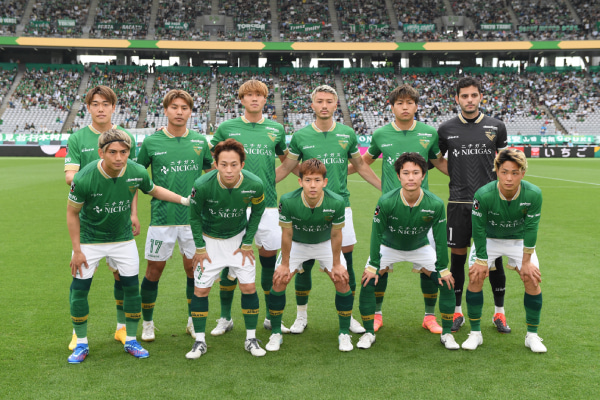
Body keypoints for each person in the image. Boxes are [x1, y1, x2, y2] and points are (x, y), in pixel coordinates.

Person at [67, 129, 191, 364]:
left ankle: (131, 340)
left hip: (123, 240)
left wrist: (184, 200)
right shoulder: (83, 177)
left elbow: (154, 190)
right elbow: (72, 214)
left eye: (124, 152)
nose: (119, 157)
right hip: (89, 241)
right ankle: (81, 343)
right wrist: (77, 250)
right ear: (101, 152)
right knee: (80, 290)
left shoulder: (136, 171)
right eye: (113, 152)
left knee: (132, 289)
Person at [275, 84, 381, 335]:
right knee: (304, 265)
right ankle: (301, 316)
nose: (324, 105)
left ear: (336, 105)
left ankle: (349, 316)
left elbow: (361, 166)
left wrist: (385, 188)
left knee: (345, 264)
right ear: (312, 105)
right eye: (320, 101)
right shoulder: (301, 136)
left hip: (341, 206)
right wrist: (261, 185)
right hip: (306, 207)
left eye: (329, 101)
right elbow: (288, 167)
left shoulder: (347, 133)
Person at [349, 84, 448, 334]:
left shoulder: (428, 133)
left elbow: (439, 162)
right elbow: (363, 163)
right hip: (390, 212)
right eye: (400, 103)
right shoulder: (381, 134)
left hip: (423, 213)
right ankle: (377, 315)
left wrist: (469, 175)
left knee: (430, 267)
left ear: (416, 106)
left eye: (409, 103)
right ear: (392, 107)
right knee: (379, 267)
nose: (405, 107)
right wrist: (335, 173)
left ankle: (429, 317)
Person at [209, 79, 291, 336]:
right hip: (233, 205)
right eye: (249, 95)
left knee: (269, 262)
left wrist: (268, 182)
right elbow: (213, 161)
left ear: (265, 99)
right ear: (242, 99)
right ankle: (225, 317)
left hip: (267, 207)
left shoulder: (276, 129)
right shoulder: (227, 127)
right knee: (228, 262)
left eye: (259, 95)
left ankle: (270, 317)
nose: (254, 99)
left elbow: (287, 161)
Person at [357, 152, 457, 350]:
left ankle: (447, 334)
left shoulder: (435, 203)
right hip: (388, 246)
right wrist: (374, 265)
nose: (411, 177)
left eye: (416, 173)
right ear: (398, 176)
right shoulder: (386, 201)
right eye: (406, 173)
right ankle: (368, 332)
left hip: (419, 247)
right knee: (368, 279)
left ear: (423, 175)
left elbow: (440, 239)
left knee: (446, 282)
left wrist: (443, 268)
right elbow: (376, 234)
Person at [64, 85, 138, 351]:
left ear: (113, 107)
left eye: (106, 104)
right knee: (81, 278)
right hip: (89, 221)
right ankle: (78, 334)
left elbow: (132, 179)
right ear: (88, 108)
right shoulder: (77, 138)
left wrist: (134, 213)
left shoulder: (126, 137)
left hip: (119, 221)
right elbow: (70, 176)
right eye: (95, 104)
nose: (100, 108)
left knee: (122, 277)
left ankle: (122, 329)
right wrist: (97, 177)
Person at [136, 90, 213, 342]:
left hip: (194, 220)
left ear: (191, 112)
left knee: (194, 270)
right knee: (153, 271)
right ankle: (148, 323)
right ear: (165, 110)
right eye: (174, 107)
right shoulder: (151, 142)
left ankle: (192, 321)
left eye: (184, 108)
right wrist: (133, 213)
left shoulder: (200, 142)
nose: (179, 112)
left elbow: (213, 174)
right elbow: (135, 178)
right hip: (162, 218)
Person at [437, 76, 510, 334]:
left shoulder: (496, 126)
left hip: (489, 205)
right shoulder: (445, 129)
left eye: (474, 95)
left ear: (481, 97)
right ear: (457, 98)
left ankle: (499, 313)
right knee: (457, 260)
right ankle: (457, 312)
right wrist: (455, 173)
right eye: (464, 96)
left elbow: (504, 162)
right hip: (458, 203)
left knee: (494, 260)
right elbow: (435, 158)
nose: (469, 100)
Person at [186, 138, 267, 359]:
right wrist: (200, 247)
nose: (229, 170)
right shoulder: (202, 185)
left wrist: (247, 241)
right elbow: (194, 217)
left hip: (238, 241)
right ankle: (200, 341)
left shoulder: (255, 184)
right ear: (215, 164)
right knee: (201, 291)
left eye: (234, 164)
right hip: (209, 242)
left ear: (242, 164)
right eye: (223, 164)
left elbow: (258, 212)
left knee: (248, 287)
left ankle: (251, 339)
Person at [462, 149, 545, 352]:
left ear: (523, 173)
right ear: (497, 171)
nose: (509, 178)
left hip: (518, 240)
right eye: (504, 172)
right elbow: (478, 229)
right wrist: (481, 260)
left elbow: (531, 228)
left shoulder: (533, 193)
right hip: (489, 239)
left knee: (532, 278)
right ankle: (475, 333)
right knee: (475, 276)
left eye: (515, 173)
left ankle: (532, 336)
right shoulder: (483, 194)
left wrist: (526, 262)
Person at [267, 159, 354, 352]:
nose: (312, 185)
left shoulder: (336, 202)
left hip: (324, 243)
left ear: (325, 182)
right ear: (300, 182)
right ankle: (276, 333)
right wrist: (285, 264)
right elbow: (287, 234)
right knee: (279, 280)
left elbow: (336, 234)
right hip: (297, 244)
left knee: (342, 279)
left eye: (317, 180)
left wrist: (337, 264)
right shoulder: (288, 200)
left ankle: (344, 333)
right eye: (308, 180)